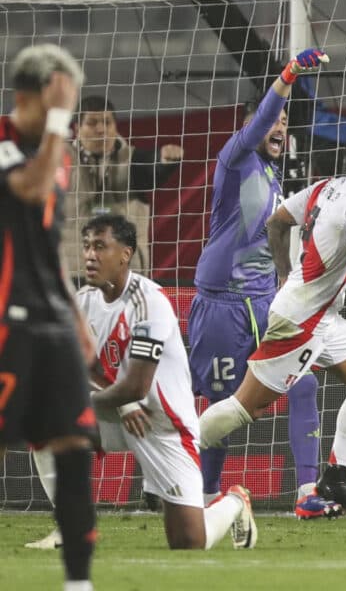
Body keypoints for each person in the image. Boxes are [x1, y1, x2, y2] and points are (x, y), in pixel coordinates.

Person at [196, 123, 346, 515]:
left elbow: (278, 222)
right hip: (301, 320)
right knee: (243, 409)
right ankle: (168, 452)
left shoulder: (327, 186)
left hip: (322, 317)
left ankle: (335, 476)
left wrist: (285, 273)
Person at [30, 215, 258, 551]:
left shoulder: (149, 303)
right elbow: (86, 367)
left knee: (188, 542)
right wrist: (118, 404)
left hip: (165, 426)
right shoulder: (85, 302)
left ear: (125, 254)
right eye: (87, 246)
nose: (90, 255)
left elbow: (137, 385)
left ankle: (236, 501)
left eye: (100, 246)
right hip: (122, 414)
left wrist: (101, 401)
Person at [187, 48, 335, 519]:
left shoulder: (273, 176)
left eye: (285, 124)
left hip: (266, 302)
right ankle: (204, 498)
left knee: (304, 383)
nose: (279, 128)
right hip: (222, 306)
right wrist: (288, 75)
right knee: (220, 407)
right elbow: (259, 122)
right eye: (274, 121)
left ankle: (307, 492)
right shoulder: (234, 159)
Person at [0, 43, 97, 591]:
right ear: (29, 97)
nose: (67, 111)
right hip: (4, 323)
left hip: (52, 321)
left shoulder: (53, 151)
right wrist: (61, 121)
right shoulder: (8, 147)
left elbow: (42, 242)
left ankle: (77, 585)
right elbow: (29, 189)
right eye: (59, 101)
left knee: (74, 448)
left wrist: (76, 319)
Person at [61, 95, 184, 279]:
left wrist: (164, 162)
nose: (101, 129)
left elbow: (150, 170)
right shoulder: (62, 160)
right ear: (77, 128)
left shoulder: (133, 159)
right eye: (92, 123)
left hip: (124, 276)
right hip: (73, 275)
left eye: (107, 122)